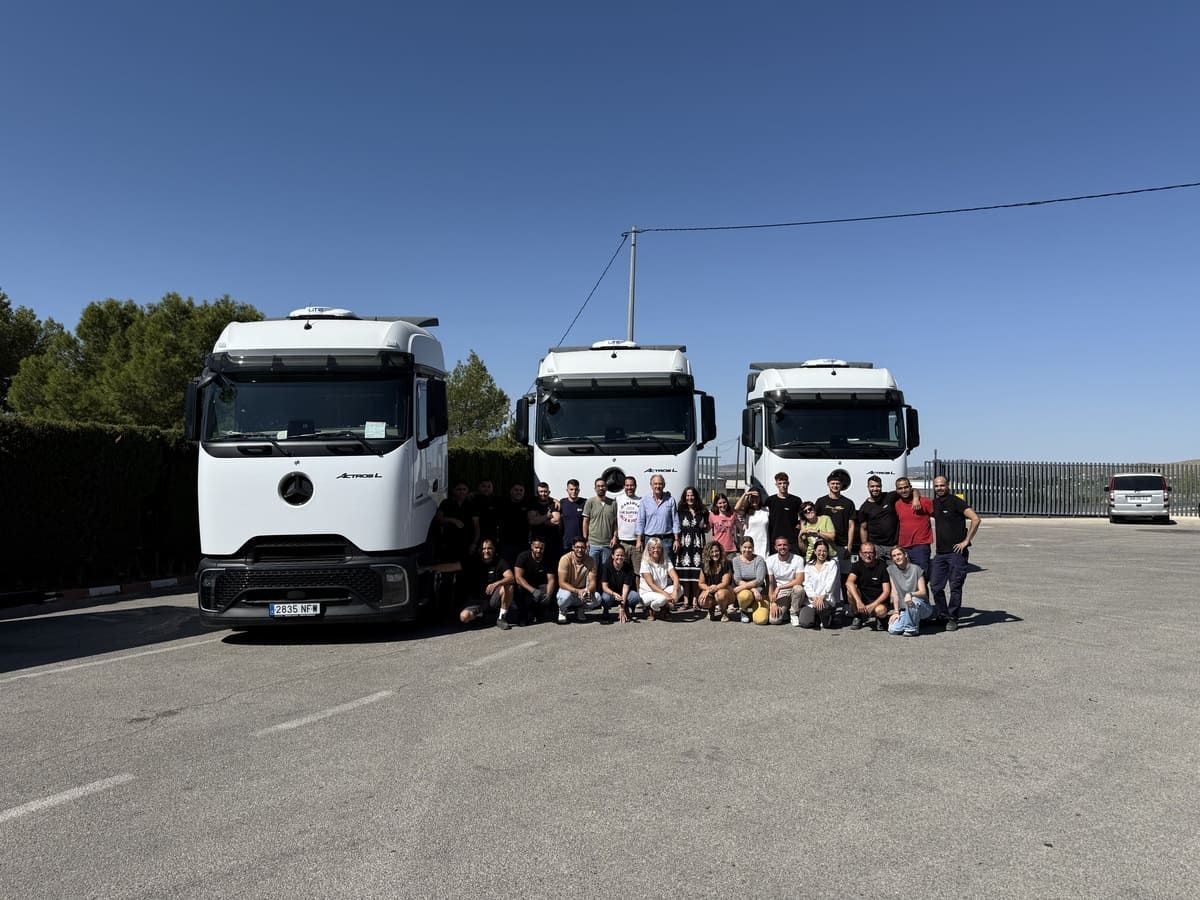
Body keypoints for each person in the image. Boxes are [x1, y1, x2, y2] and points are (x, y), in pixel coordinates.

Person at [929, 475, 982, 631]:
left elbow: (976, 519)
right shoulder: (935, 503)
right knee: (936, 586)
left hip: (956, 553)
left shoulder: (956, 501)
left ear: (948, 485)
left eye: (942, 485)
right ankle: (943, 614)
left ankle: (953, 618)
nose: (939, 488)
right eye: (936, 486)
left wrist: (966, 541)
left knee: (955, 587)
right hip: (940, 553)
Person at [459, 539, 515, 630]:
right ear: (480, 550)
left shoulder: (500, 562)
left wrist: (496, 584)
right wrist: (431, 567)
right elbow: (454, 566)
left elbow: (511, 578)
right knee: (464, 617)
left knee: (509, 585)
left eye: (489, 548)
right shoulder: (474, 561)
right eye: (483, 548)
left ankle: (501, 618)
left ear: (494, 549)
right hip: (478, 601)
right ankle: (482, 615)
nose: (486, 551)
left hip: (494, 599)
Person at [796, 539, 843, 629]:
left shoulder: (832, 564)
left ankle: (827, 615)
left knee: (826, 625)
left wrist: (822, 597)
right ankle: (816, 616)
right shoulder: (809, 565)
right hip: (812, 601)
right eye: (819, 551)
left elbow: (831, 583)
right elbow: (807, 584)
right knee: (805, 623)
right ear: (814, 551)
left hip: (826, 600)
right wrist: (814, 597)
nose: (822, 553)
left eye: (824, 551)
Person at [813, 471, 857, 568]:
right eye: (833, 483)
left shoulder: (848, 503)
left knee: (844, 573)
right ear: (828, 484)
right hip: (824, 544)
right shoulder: (821, 502)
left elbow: (851, 525)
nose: (835, 486)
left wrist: (849, 546)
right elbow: (815, 521)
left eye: (838, 483)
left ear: (842, 485)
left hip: (842, 544)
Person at [676, 486, 709, 610]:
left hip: (698, 545)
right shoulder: (680, 510)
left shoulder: (703, 511)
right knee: (685, 574)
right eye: (687, 495)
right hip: (684, 545)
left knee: (696, 574)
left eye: (692, 495)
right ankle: (685, 601)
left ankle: (695, 601)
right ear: (685, 497)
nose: (690, 497)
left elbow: (707, 527)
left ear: (696, 496)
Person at [846, 543, 892, 631]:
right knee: (850, 591)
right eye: (865, 552)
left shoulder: (882, 566)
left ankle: (880, 618)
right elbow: (849, 582)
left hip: (878, 601)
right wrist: (858, 601)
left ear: (875, 553)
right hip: (862, 600)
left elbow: (886, 591)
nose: (868, 555)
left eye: (870, 552)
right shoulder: (857, 565)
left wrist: (873, 605)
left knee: (880, 611)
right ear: (860, 554)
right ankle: (858, 616)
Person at [635, 475, 680, 564]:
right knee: (651, 566)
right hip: (650, 539)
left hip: (667, 540)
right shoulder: (645, 500)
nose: (657, 486)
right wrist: (639, 540)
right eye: (655, 484)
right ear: (651, 485)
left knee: (668, 566)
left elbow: (675, 521)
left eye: (660, 484)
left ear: (664, 485)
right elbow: (640, 521)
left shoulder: (670, 500)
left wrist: (676, 539)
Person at [887, 546, 931, 636]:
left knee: (912, 600)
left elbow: (923, 592)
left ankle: (912, 629)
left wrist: (910, 594)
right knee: (893, 629)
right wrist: (896, 611)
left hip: (921, 606)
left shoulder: (916, 569)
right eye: (894, 556)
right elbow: (894, 592)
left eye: (899, 554)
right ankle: (913, 620)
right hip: (905, 608)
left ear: (905, 555)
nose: (897, 557)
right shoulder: (891, 570)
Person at [893, 477, 934, 575]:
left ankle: (923, 591)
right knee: (905, 577)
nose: (903, 490)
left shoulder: (924, 502)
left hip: (921, 546)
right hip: (903, 546)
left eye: (906, 487)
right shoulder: (897, 504)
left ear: (911, 487)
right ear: (897, 490)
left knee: (922, 576)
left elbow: (940, 518)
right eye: (900, 488)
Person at [513, 537, 556, 624]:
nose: (538, 550)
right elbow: (518, 578)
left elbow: (551, 580)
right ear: (532, 546)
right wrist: (533, 590)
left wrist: (549, 594)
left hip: (540, 584)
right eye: (536, 547)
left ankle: (538, 612)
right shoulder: (523, 556)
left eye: (541, 548)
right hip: (526, 585)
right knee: (519, 588)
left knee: (547, 591)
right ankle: (522, 616)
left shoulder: (548, 559)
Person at [556, 537, 599, 623]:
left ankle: (580, 609)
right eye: (577, 547)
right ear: (573, 547)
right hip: (568, 590)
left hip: (582, 591)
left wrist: (587, 590)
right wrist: (577, 591)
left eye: (582, 547)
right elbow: (561, 583)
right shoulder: (565, 559)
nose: (580, 550)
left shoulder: (591, 560)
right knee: (564, 597)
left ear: (586, 548)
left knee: (597, 598)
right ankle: (563, 610)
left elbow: (593, 582)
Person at [857, 476, 901, 560]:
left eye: (878, 486)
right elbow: (863, 528)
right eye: (872, 486)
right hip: (876, 547)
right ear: (868, 487)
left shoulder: (889, 497)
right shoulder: (864, 507)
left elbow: (912, 491)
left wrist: (916, 499)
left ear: (881, 486)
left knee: (894, 572)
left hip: (893, 546)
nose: (875, 489)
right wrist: (865, 547)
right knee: (877, 571)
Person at [436, 481, 479, 563]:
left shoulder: (472, 505)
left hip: (467, 543)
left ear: (467, 491)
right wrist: (453, 520)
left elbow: (476, 527)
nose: (461, 491)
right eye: (459, 489)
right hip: (449, 543)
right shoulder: (446, 503)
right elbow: (438, 519)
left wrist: (474, 544)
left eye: (464, 489)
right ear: (454, 491)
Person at [639, 536, 680, 620]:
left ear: (661, 549)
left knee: (680, 588)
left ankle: (663, 609)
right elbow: (651, 584)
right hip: (647, 592)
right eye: (653, 548)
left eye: (658, 548)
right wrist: (666, 595)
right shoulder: (645, 563)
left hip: (661, 590)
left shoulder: (665, 559)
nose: (656, 550)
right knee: (663, 598)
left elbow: (675, 577)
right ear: (649, 550)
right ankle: (650, 607)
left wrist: (675, 591)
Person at [766, 535, 805, 626]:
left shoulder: (798, 559)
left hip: (793, 590)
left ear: (789, 546)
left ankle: (794, 613)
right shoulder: (770, 560)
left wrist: (779, 587)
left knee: (799, 589)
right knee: (774, 620)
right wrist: (773, 603)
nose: (782, 547)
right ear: (775, 547)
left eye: (785, 545)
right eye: (779, 545)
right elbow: (770, 583)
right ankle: (786, 609)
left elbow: (799, 580)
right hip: (780, 594)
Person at [582, 477, 618, 570]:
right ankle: (592, 585)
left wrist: (614, 537)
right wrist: (585, 539)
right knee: (592, 570)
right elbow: (585, 521)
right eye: (598, 486)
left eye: (603, 486)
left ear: (606, 488)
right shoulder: (590, 502)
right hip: (593, 544)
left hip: (607, 544)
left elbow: (615, 523)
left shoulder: (613, 503)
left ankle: (602, 585)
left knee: (605, 570)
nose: (600, 488)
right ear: (595, 488)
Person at [731, 536, 769, 624]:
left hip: (759, 594)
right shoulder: (736, 560)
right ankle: (744, 610)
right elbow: (737, 579)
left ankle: (755, 609)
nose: (747, 550)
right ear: (740, 548)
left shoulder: (759, 560)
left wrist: (745, 586)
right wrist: (753, 589)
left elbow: (759, 580)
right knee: (744, 596)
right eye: (745, 547)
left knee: (761, 620)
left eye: (750, 547)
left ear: (753, 548)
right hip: (747, 592)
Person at [600, 544, 640, 623]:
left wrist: (622, 607)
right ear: (612, 556)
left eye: (622, 555)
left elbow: (625, 588)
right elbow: (604, 587)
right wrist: (614, 594)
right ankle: (606, 610)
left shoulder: (628, 567)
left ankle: (626, 608)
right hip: (610, 592)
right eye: (617, 555)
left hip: (624, 592)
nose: (619, 557)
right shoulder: (606, 566)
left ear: (624, 556)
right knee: (605, 598)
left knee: (635, 597)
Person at [697, 540, 735, 621]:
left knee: (720, 594)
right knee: (702, 601)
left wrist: (713, 588)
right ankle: (711, 610)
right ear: (708, 553)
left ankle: (724, 612)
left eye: (717, 551)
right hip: (711, 590)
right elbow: (701, 583)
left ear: (720, 551)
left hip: (726, 591)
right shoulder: (704, 564)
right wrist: (708, 589)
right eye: (712, 552)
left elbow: (725, 583)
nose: (714, 554)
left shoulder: (726, 563)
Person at [765, 473, 803, 552]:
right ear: (776, 484)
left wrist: (800, 525)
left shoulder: (796, 500)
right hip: (775, 539)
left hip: (792, 540)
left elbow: (803, 516)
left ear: (788, 483)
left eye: (785, 483)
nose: (783, 485)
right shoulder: (770, 500)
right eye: (780, 483)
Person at [527, 482, 562, 563]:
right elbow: (532, 521)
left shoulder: (553, 504)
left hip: (552, 540)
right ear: (537, 492)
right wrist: (547, 516)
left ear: (549, 492)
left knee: (551, 562)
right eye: (541, 491)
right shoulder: (533, 503)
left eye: (545, 491)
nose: (543, 494)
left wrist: (539, 518)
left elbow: (557, 521)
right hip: (537, 540)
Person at [498, 483, 530, 566]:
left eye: (521, 490)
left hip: (523, 543)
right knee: (508, 569)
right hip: (506, 544)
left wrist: (554, 500)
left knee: (522, 568)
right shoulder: (502, 503)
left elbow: (543, 497)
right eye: (516, 490)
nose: (518, 492)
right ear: (510, 491)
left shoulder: (528, 502)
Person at [735, 488, 770, 562]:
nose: (755, 499)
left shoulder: (766, 510)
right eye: (752, 497)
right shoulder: (746, 511)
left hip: (763, 544)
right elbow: (736, 508)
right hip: (749, 544)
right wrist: (745, 494)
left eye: (757, 497)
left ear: (760, 498)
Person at [615, 476, 642, 570]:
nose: (629, 487)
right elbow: (615, 520)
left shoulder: (641, 501)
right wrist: (615, 536)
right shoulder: (618, 500)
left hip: (637, 543)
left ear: (635, 486)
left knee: (638, 572)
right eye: (627, 485)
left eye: (632, 485)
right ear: (624, 486)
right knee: (622, 570)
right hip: (622, 542)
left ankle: (638, 586)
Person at [559, 479, 586, 554]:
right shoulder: (562, 502)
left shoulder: (584, 503)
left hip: (580, 544)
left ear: (579, 490)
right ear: (567, 490)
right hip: (566, 543)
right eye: (571, 489)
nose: (574, 491)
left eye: (576, 489)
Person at [473, 479, 502, 547]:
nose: (486, 488)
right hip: (479, 535)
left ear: (492, 488)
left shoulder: (498, 500)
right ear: (479, 487)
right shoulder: (474, 500)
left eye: (489, 486)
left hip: (494, 535)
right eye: (484, 486)